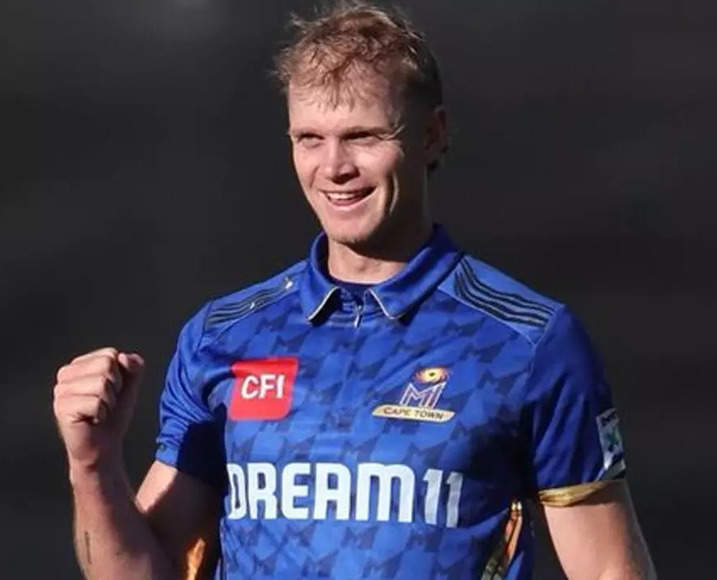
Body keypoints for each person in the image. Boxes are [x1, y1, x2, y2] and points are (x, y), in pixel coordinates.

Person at [51, 2, 656, 578]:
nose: (334, 167)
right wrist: (93, 463)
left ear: (433, 135)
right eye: (309, 139)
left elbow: (609, 569)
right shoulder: (223, 337)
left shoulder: (528, 341)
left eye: (363, 136)